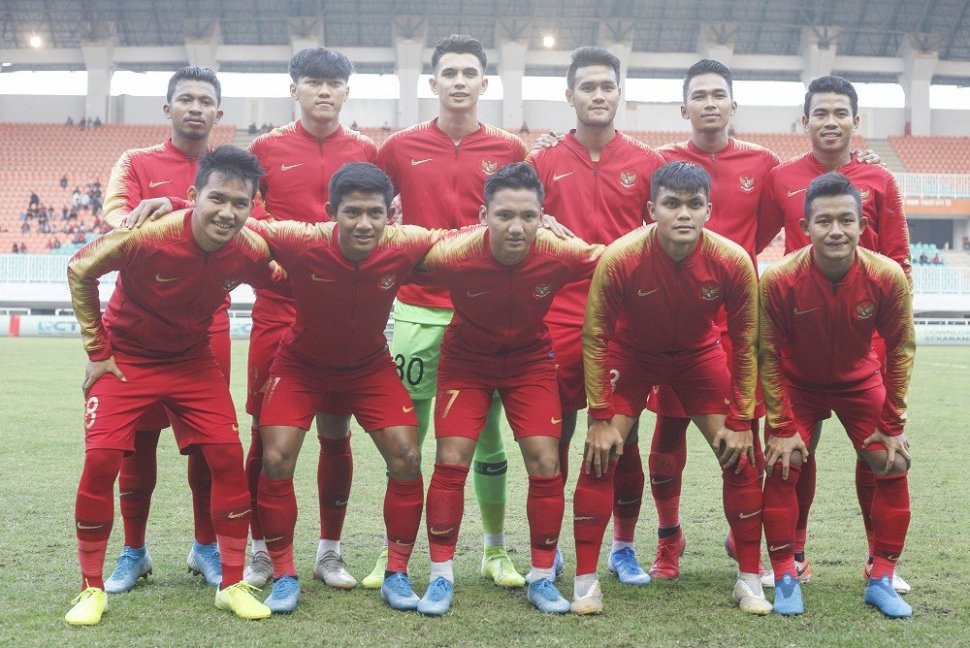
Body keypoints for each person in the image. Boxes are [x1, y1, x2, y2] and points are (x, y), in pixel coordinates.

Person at [63, 146, 285, 625]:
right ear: (193, 195)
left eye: (240, 204)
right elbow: (81, 269)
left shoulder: (248, 248)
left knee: (225, 456)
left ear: (252, 207)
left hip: (191, 361)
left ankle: (231, 583)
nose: (227, 213)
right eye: (217, 199)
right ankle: (90, 589)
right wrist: (98, 352)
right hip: (128, 361)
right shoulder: (148, 234)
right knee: (102, 460)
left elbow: (282, 278)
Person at [573, 161, 767, 616]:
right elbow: (595, 336)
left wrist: (741, 420)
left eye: (694, 204)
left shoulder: (733, 261)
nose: (684, 214)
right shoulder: (620, 257)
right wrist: (600, 416)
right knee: (601, 454)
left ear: (709, 211)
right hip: (632, 355)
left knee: (741, 454)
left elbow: (747, 343)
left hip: (699, 358)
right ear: (651, 209)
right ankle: (585, 582)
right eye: (672, 204)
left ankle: (750, 580)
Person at [371, 34, 529, 589]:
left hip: (481, 315)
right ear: (432, 83)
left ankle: (494, 551)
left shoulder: (510, 149)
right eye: (449, 73)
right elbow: (371, 210)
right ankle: (394, 556)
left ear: (484, 84)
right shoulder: (395, 148)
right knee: (404, 444)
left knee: (486, 440)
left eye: (469, 73)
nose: (459, 81)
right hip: (416, 310)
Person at [414, 162, 602, 616]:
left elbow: (618, 259)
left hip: (529, 363)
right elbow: (391, 264)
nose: (516, 228)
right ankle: (441, 578)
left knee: (545, 461)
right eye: (504, 216)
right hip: (466, 363)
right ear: (484, 216)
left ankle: (540, 577)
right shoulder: (453, 254)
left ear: (543, 216)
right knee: (451, 459)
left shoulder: (560, 252)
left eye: (528, 216)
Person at [248, 162, 434, 613]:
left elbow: (467, 238)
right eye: (352, 212)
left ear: (391, 213)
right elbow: (235, 217)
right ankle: (285, 573)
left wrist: (538, 223)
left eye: (375, 212)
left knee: (408, 457)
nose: (364, 223)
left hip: (368, 366)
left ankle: (396, 573)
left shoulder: (405, 243)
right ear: (332, 211)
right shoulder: (301, 239)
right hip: (302, 364)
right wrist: (177, 203)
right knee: (274, 456)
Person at [756, 75, 912, 593]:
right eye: (819, 113)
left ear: (855, 121)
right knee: (796, 452)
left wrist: (884, 332)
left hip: (862, 341)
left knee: (878, 453)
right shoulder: (780, 177)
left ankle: (880, 564)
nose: (830, 122)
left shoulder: (880, 180)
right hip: (798, 338)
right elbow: (748, 239)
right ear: (805, 122)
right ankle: (793, 554)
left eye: (839, 113)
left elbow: (898, 259)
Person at [524, 46, 665, 586]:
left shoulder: (647, 165)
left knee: (622, 438)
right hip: (556, 319)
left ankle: (624, 546)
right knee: (553, 440)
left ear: (619, 93)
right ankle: (551, 546)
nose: (598, 95)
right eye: (587, 87)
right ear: (570, 96)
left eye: (607, 86)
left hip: (625, 325)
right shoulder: (541, 164)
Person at [242, 47, 379, 590]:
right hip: (279, 309)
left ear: (347, 91)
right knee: (265, 432)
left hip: (344, 314)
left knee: (335, 430)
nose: (324, 91)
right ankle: (259, 549)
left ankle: (330, 551)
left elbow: (383, 222)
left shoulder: (366, 150)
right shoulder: (264, 149)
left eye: (334, 83)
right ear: (293, 88)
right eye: (313, 82)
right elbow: (251, 223)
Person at [96, 65, 228, 594]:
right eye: (185, 99)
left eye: (205, 101)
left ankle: (205, 547)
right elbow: (118, 222)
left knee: (208, 445)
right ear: (167, 108)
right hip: (140, 329)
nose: (195, 107)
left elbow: (251, 224)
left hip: (206, 324)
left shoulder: (233, 169)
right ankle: (134, 551)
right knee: (138, 441)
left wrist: (174, 206)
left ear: (219, 113)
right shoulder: (136, 162)